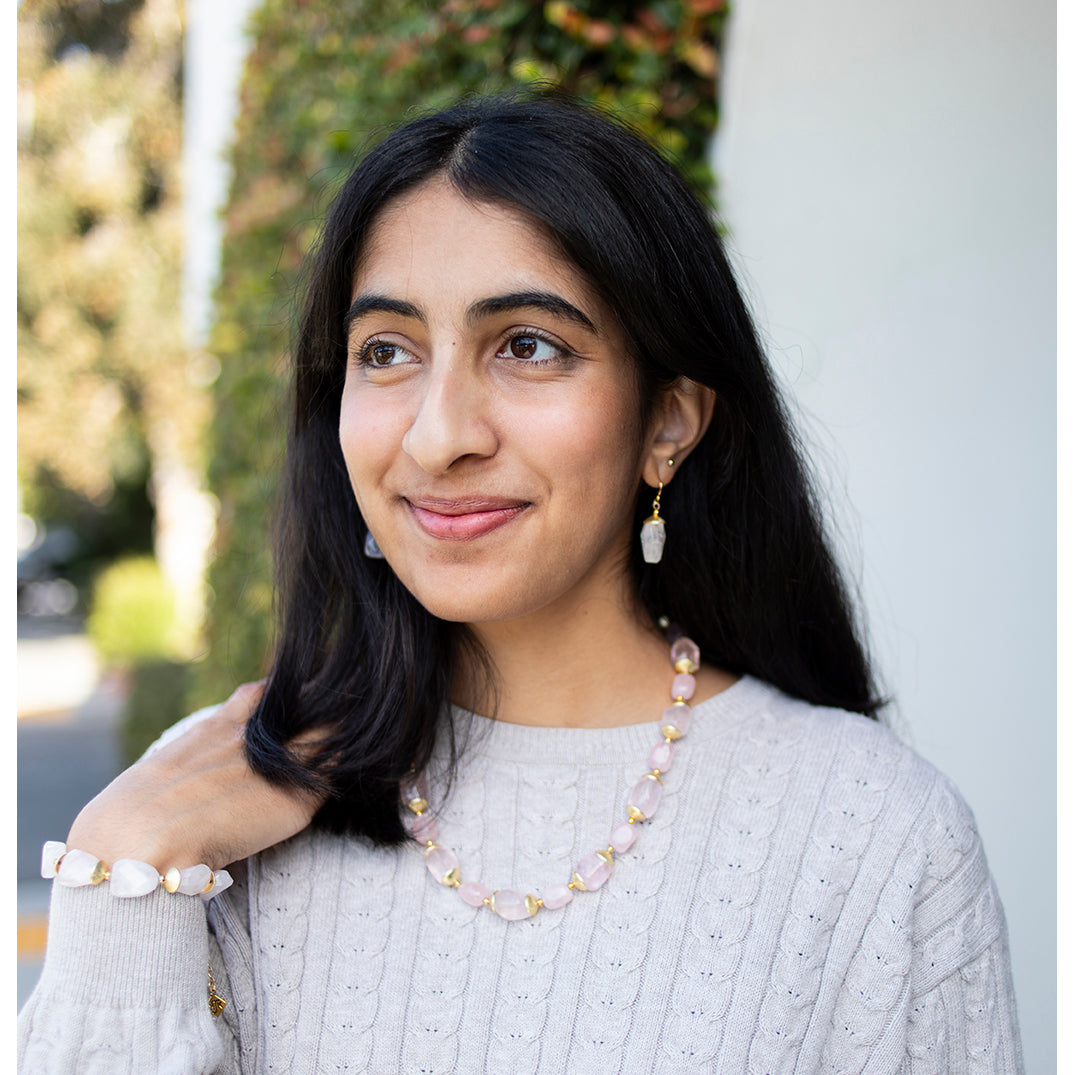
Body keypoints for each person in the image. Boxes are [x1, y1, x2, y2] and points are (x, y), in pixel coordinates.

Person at [19, 92, 1023, 1073]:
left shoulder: (871, 839)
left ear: (669, 421)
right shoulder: (208, 812)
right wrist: (122, 864)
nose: (440, 433)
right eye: (386, 351)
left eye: (528, 346)